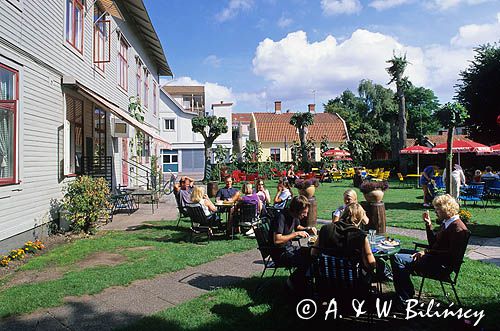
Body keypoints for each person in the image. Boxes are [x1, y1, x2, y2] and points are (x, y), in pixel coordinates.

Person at [390, 194, 469, 305]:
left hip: (440, 266)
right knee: (396, 252)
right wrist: (429, 225)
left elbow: (451, 254)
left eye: (437, 209)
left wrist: (426, 252)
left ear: (447, 209)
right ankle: (407, 292)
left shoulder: (458, 228)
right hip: (433, 259)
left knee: (398, 259)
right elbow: (433, 244)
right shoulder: (448, 223)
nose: (435, 212)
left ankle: (404, 299)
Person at [270, 196, 317, 292]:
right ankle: (292, 283)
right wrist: (296, 234)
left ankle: (305, 282)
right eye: (304, 212)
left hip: (289, 248)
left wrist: (307, 228)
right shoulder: (281, 217)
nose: (306, 215)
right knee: (307, 261)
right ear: (296, 210)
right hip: (280, 253)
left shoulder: (293, 215)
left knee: (313, 253)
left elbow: (298, 226)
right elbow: (277, 240)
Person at [313, 203, 375, 276]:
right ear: (359, 218)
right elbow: (370, 264)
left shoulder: (325, 229)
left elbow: (313, 252)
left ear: (343, 214)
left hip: (326, 279)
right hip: (351, 283)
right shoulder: (360, 235)